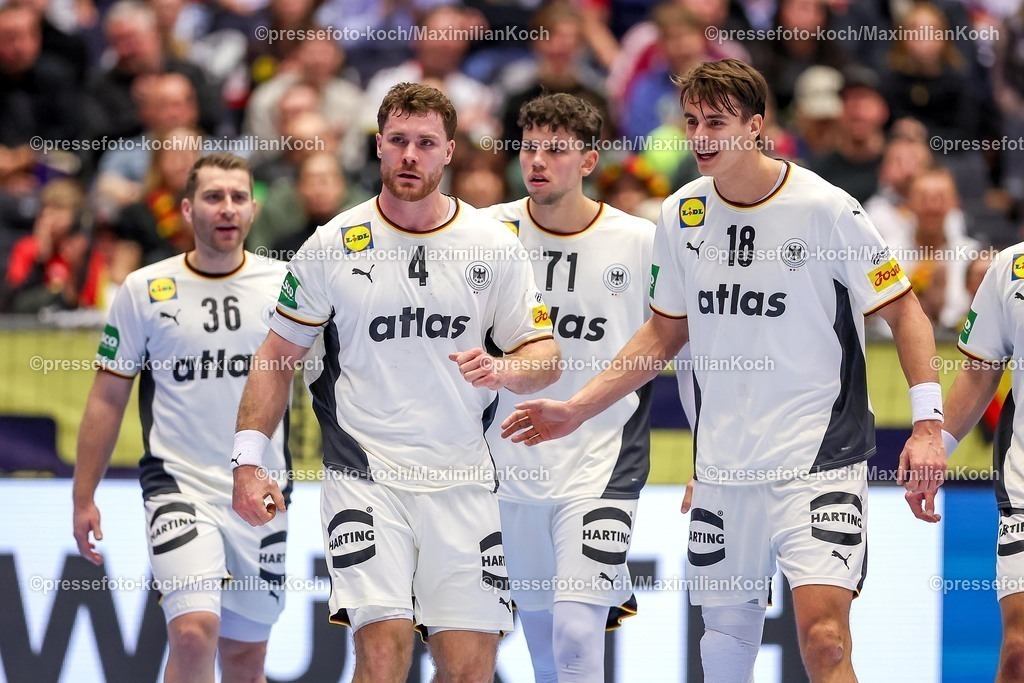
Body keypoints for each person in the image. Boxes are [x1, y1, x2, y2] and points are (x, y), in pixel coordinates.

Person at [501, 59, 947, 682]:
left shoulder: (825, 208)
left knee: (825, 642)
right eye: (691, 122)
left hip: (819, 459)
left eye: (716, 122)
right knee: (724, 652)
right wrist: (577, 408)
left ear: (756, 126)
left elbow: (905, 311)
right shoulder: (681, 214)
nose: (700, 136)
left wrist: (927, 425)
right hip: (724, 469)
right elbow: (663, 333)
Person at [229, 82, 561, 681]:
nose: (411, 154)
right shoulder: (332, 243)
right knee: (382, 653)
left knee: (469, 668)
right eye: (399, 140)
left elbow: (546, 355)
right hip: (365, 477)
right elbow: (276, 356)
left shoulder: (492, 244)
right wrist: (248, 462)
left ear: (449, 151)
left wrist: (506, 369)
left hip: (464, 479)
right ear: (378, 145)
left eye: (426, 143)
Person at [72, 152, 291, 682]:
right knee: (193, 633)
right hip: (178, 485)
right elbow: (107, 398)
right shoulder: (144, 289)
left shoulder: (286, 284)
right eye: (214, 197)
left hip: (260, 487)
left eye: (238, 197)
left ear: (254, 210)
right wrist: (83, 496)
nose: (227, 208)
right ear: (188, 209)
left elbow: (336, 378)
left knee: (245, 659)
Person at [482, 93, 656, 682]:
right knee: (541, 646)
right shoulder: (487, 232)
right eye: (529, 147)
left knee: (578, 633)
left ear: (588, 161)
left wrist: (707, 458)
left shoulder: (640, 241)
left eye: (556, 150)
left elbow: (680, 347)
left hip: (602, 461)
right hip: (508, 464)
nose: (538, 161)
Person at [913, 244, 1024, 681]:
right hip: (1023, 490)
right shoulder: (1011, 267)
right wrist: (935, 448)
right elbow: (981, 371)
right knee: (1018, 653)